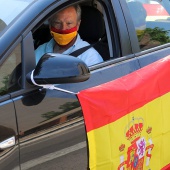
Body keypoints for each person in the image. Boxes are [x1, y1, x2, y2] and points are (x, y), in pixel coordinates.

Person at [35, 5, 103, 66]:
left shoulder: (90, 57)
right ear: (50, 25)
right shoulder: (40, 51)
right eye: (58, 23)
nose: (63, 28)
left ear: (78, 25)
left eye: (69, 23)